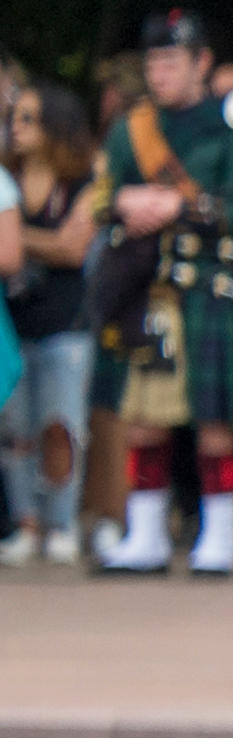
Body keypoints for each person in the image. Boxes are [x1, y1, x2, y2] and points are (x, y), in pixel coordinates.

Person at [86, 8, 233, 576]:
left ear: (202, 62)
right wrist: (124, 204)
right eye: (153, 61)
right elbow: (103, 198)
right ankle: (146, 537)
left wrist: (184, 206)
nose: (160, 73)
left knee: (214, 421)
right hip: (152, 288)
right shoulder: (134, 129)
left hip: (212, 286)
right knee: (144, 419)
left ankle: (219, 534)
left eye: (172, 60)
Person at [5, 79, 89, 562]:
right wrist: (44, 242)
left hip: (66, 323)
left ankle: (60, 523)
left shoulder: (84, 181)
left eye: (29, 119)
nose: (16, 127)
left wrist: (14, 239)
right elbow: (58, 244)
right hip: (14, 322)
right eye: (14, 118)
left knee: (60, 427)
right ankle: (25, 524)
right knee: (15, 431)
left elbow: (74, 247)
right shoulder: (6, 178)